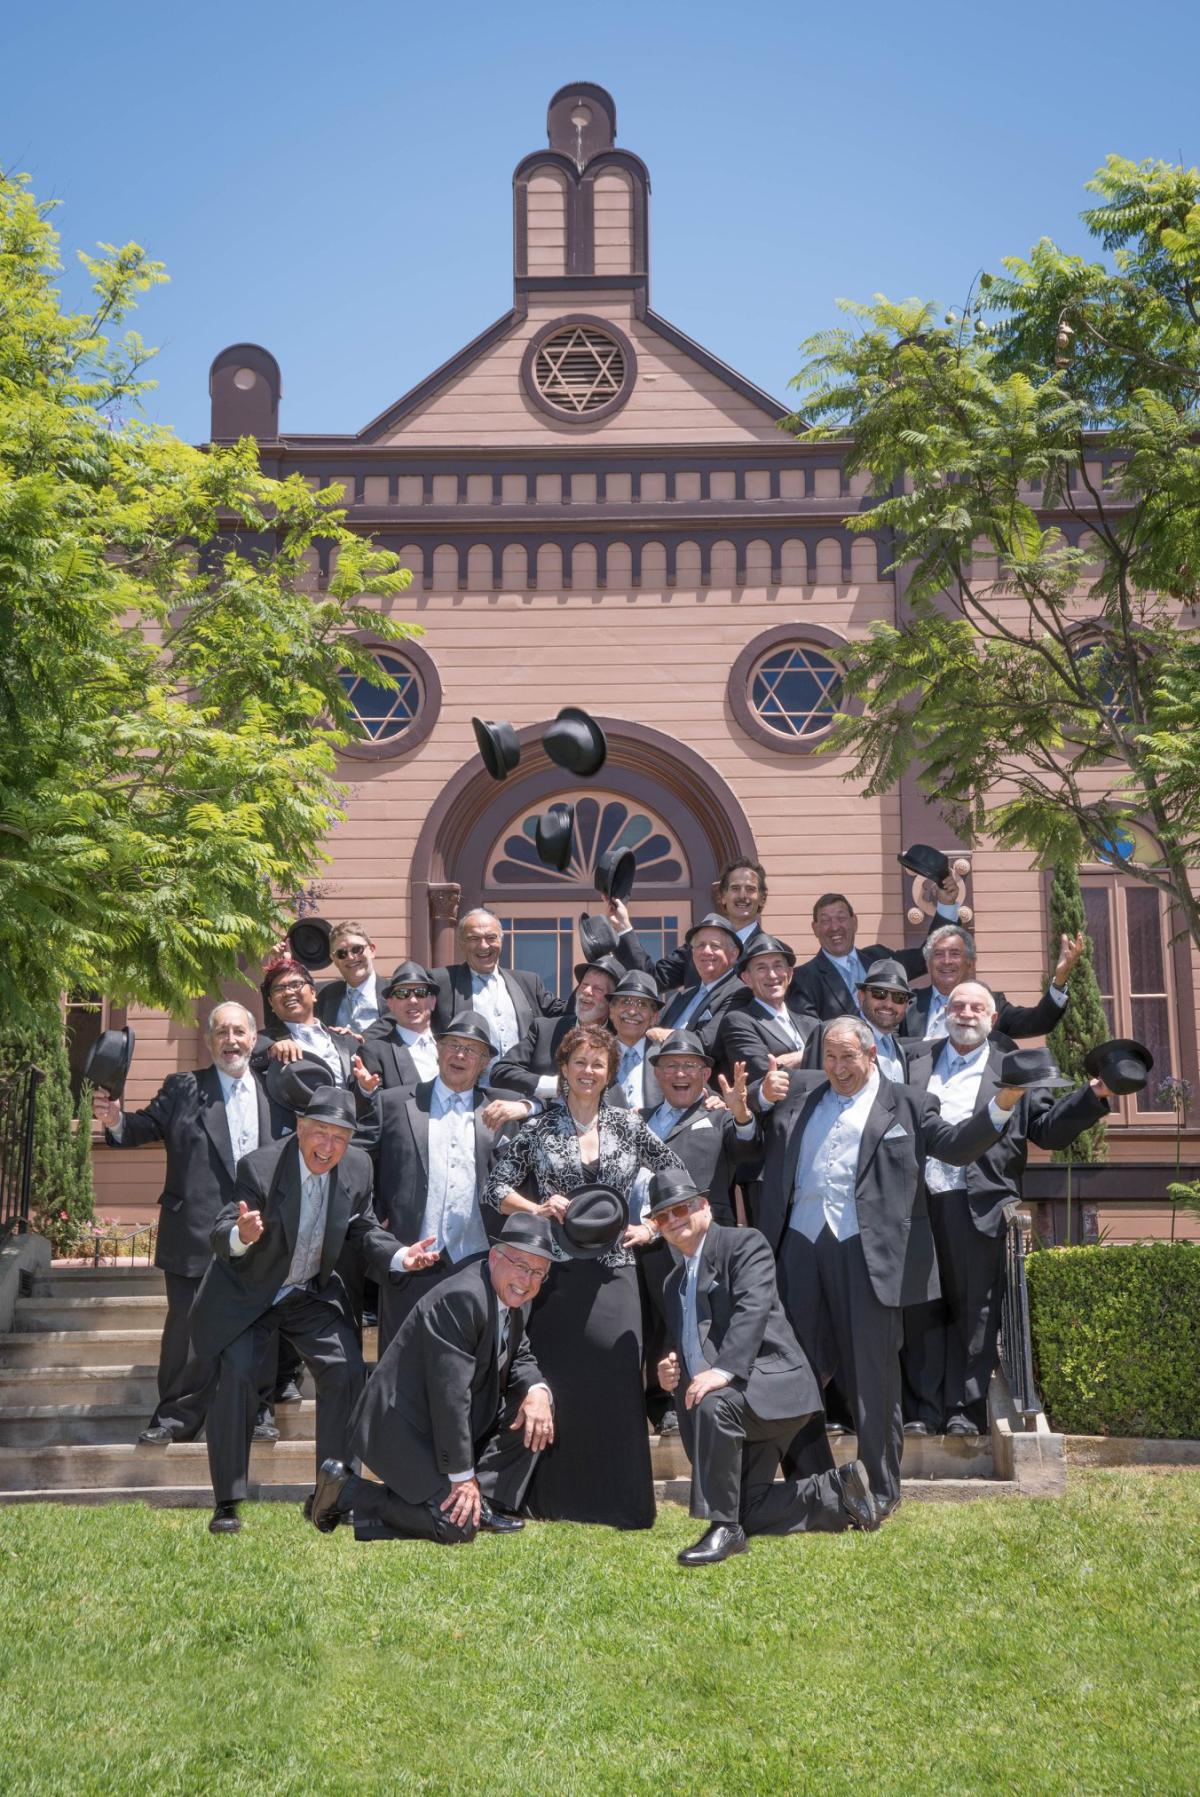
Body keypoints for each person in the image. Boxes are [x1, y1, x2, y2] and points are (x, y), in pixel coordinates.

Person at [754, 1016, 1021, 1517]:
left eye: (847, 1057)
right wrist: (760, 1096)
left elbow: (958, 1146)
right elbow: (751, 1114)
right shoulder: (801, 1092)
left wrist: (1002, 1104)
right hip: (799, 1248)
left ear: (871, 1053)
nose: (838, 1068)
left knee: (873, 1378)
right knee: (795, 1373)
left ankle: (879, 1491)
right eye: (830, 1057)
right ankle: (813, 1486)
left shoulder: (910, 1102)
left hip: (869, 1253)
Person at [482, 1023, 685, 1528]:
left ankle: (621, 1503)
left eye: (599, 1064)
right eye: (579, 1063)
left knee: (616, 1383)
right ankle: (550, 1498)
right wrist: (538, 1206)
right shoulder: (538, 1127)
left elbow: (678, 1180)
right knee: (559, 1385)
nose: (588, 1071)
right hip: (554, 1277)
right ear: (564, 1070)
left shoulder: (629, 1126)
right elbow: (494, 1189)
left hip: (616, 1275)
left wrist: (650, 1227)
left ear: (610, 1072)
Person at [190, 1087, 410, 1535]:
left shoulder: (357, 1167)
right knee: (237, 1374)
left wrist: (400, 1257)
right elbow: (222, 1227)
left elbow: (363, 1227)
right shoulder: (261, 1166)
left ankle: (330, 1496)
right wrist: (241, 1234)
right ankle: (227, 1502)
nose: (328, 1147)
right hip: (248, 1294)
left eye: (340, 1138)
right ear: (301, 1129)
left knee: (347, 1370)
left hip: (308, 1292)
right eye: (321, 1133)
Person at [904, 982, 1112, 1435]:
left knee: (976, 1310)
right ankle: (922, 1411)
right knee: (921, 1308)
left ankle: (964, 1412)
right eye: (957, 1006)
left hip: (979, 1201)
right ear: (944, 1013)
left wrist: (1092, 1095)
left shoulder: (1010, 1064)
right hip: (916, 1203)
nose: (965, 1013)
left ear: (993, 1018)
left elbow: (1047, 1131)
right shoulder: (913, 1060)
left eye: (976, 1007)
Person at [649, 1169, 878, 1564]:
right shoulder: (673, 1283)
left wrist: (723, 1372)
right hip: (735, 1404)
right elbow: (686, 1344)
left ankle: (723, 1530)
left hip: (771, 1389)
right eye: (661, 1217)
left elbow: (751, 1311)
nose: (673, 1220)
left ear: (704, 1206)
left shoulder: (743, 1244)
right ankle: (839, 1495)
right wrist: (672, 1375)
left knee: (715, 1405)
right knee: (748, 1508)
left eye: (681, 1208)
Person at [91, 1002, 279, 1446]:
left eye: (238, 1032)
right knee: (188, 1329)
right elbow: (142, 1127)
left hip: (261, 1230)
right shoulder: (184, 1087)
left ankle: (255, 1414)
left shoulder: (277, 1091)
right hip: (194, 1230)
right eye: (221, 1032)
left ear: (253, 1039)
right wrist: (115, 1118)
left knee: (260, 1327)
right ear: (209, 1040)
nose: (230, 1041)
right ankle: (174, 1419)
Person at [308, 1215, 559, 1543]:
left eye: (538, 1272)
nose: (527, 1280)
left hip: (443, 1423)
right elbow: (449, 1395)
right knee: (457, 1527)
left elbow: (520, 1356)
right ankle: (349, 1492)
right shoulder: (463, 1298)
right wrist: (462, 1477)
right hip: (400, 1428)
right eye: (522, 1265)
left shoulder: (515, 1299)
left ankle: (481, 1503)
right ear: (495, 1256)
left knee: (533, 1411)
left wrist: (538, 1390)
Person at [373, 1010, 522, 1346]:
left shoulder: (504, 1110)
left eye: (472, 1050)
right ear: (438, 1050)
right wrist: (376, 1218)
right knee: (400, 1370)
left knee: (472, 1368)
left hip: (479, 1263)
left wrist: (525, 1105)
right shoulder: (394, 1103)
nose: (460, 1055)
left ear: (484, 1063)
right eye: (453, 1044)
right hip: (410, 1260)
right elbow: (361, 1161)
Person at [789, 884, 962, 1022]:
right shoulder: (803, 978)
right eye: (825, 921)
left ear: (854, 922)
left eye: (841, 918)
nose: (835, 927)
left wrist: (946, 906)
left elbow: (925, 957)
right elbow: (811, 1032)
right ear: (815, 928)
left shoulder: (879, 957)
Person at [607, 857, 775, 991]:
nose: (742, 896)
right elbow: (653, 979)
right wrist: (623, 928)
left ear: (762, 898)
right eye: (735, 888)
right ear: (722, 896)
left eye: (751, 889)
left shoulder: (770, 952)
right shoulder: (696, 947)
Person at [898, 926, 1085, 1043]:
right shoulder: (907, 1005)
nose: (946, 961)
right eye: (938, 954)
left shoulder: (990, 1004)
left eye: (955, 954)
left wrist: (1059, 981)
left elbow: (1037, 1022)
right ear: (928, 963)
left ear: (969, 963)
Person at [489, 953, 622, 1100]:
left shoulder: (620, 1038)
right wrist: (553, 1085)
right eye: (584, 985)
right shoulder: (545, 1030)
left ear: (612, 1001)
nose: (586, 992)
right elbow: (501, 1072)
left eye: (598, 989)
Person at [431, 907, 565, 1052]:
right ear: (461, 944)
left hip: (520, 1074)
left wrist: (590, 979)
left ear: (501, 941)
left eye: (491, 938)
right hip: (466, 1073)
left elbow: (568, 1011)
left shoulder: (528, 983)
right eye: (474, 938)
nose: (483, 945)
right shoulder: (441, 981)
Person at [802, 959, 932, 1085]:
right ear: (861, 996)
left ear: (906, 1005)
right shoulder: (829, 1033)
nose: (888, 1004)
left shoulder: (899, 1051)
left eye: (898, 997)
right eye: (879, 994)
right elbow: (809, 1091)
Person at [715, 935, 817, 1083]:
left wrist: (793, 1059)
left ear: (789, 974)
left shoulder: (811, 1023)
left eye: (778, 965)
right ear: (747, 979)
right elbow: (762, 1073)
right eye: (761, 968)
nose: (772, 974)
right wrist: (813, 1054)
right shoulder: (738, 1021)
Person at [648, 915, 746, 1057]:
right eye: (700, 945)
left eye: (715, 945)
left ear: (733, 954)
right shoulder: (683, 995)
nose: (706, 951)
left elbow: (708, 1042)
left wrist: (665, 1035)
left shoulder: (739, 992)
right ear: (693, 953)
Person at [357, 961, 441, 1092]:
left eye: (420, 992)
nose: (413, 1000)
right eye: (402, 993)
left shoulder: (453, 1046)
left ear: (432, 1001)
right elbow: (369, 1108)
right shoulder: (374, 1052)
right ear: (390, 1004)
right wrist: (367, 1090)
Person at [608, 969, 665, 1109]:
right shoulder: (596, 1055)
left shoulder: (665, 1057)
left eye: (642, 1004)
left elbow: (699, 1091)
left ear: (654, 1017)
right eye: (626, 1002)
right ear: (611, 1011)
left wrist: (712, 1099)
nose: (632, 1012)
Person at [315, 920, 382, 1033]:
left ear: (372, 950)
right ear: (334, 960)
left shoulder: (394, 993)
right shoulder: (322, 994)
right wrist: (283, 968)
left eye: (357, 949)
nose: (350, 957)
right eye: (342, 953)